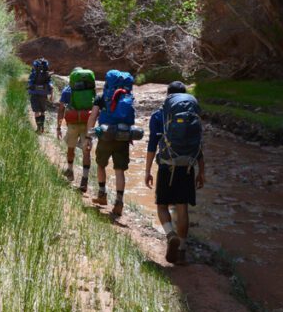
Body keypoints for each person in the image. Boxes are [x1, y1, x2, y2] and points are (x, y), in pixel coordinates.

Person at [145, 81, 205, 264]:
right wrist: (202, 171)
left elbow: (152, 145)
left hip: (166, 165)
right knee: (182, 207)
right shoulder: (193, 114)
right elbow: (199, 144)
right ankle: (182, 251)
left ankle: (171, 235)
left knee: (162, 205)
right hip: (188, 166)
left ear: (168, 96)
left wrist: (147, 171)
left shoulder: (159, 115)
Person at [87, 70, 136, 218]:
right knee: (119, 170)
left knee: (101, 165)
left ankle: (102, 195)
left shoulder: (102, 98)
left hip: (105, 137)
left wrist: (88, 136)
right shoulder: (128, 97)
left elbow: (93, 117)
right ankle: (119, 202)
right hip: (123, 137)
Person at [56, 67, 96, 191]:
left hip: (73, 123)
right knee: (86, 151)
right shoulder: (91, 90)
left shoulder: (68, 90)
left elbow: (61, 109)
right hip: (88, 123)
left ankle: (70, 171)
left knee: (71, 147)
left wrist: (58, 126)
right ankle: (84, 179)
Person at [27, 58, 53, 133]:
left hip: (34, 94)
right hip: (43, 94)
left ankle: (38, 128)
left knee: (36, 111)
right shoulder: (47, 74)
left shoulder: (34, 73)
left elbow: (30, 83)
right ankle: (42, 127)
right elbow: (50, 85)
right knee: (42, 111)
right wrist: (51, 95)